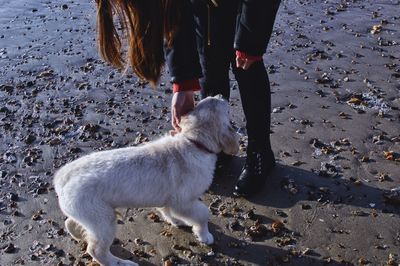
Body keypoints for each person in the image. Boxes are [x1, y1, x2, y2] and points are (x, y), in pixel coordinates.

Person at [95, 0, 281, 197]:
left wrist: (250, 41)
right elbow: (173, 14)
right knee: (210, 63)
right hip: (205, 7)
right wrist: (183, 84)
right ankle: (217, 144)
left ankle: (260, 152)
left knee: (246, 64)